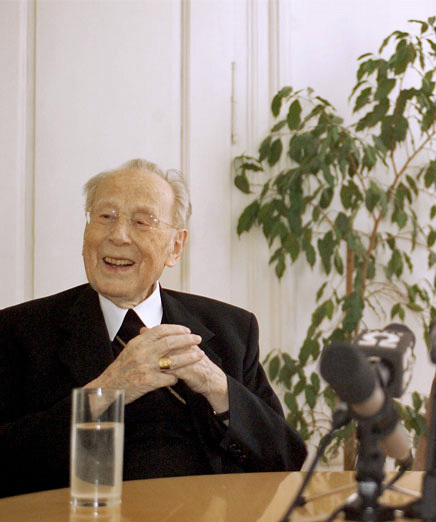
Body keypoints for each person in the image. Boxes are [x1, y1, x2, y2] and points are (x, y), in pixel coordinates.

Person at [0, 159, 307, 498]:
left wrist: (216, 386)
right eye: (106, 217)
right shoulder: (19, 331)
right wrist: (107, 390)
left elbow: (286, 459)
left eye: (141, 222)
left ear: (175, 247)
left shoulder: (231, 329)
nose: (118, 235)